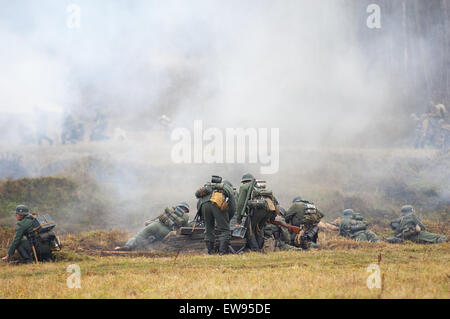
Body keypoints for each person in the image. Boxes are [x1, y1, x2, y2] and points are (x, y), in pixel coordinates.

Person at [115, 202, 190, 251]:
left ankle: (128, 246)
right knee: (156, 239)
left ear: (179, 206)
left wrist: (151, 221)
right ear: (186, 210)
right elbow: (185, 228)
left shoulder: (170, 210)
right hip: (166, 232)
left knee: (139, 236)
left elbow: (160, 217)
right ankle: (145, 246)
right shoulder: (185, 217)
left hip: (155, 225)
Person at [235, 174, 279, 252]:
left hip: (257, 211)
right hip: (269, 211)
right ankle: (260, 248)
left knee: (250, 230)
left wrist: (238, 220)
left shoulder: (244, 187)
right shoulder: (263, 188)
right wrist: (273, 217)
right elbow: (275, 202)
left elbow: (240, 204)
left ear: (244, 181)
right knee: (259, 229)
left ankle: (255, 250)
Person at [195, 175, 237, 255]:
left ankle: (210, 252)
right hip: (217, 204)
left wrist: (202, 215)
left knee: (208, 230)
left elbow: (199, 203)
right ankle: (222, 253)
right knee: (225, 230)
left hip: (203, 206)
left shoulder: (207, 188)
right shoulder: (226, 188)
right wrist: (227, 219)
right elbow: (233, 206)